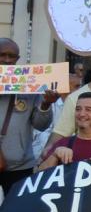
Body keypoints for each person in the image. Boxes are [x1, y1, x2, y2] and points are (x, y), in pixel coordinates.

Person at [0, 38, 57, 195]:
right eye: (2, 55)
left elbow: (41, 125)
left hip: (21, 167)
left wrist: (46, 104)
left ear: (18, 59)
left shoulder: (31, 85)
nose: (7, 60)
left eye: (12, 56)